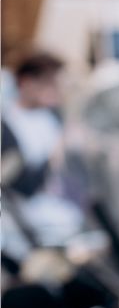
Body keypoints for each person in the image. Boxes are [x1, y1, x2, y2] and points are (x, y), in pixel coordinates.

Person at [0, 51, 84, 242]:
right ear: (26, 82)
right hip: (31, 223)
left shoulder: (55, 117)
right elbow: (21, 185)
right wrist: (58, 153)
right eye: (50, 83)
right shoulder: (7, 126)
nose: (57, 90)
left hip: (70, 213)